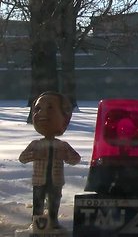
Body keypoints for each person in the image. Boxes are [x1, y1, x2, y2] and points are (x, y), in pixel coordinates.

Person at [19, 91, 80, 230]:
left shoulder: (62, 146)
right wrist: (34, 155)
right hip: (39, 181)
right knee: (38, 203)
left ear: (64, 118)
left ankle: (53, 221)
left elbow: (76, 159)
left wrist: (66, 156)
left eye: (51, 108)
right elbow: (22, 158)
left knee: (54, 203)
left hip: (56, 181)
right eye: (38, 109)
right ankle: (38, 224)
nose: (42, 114)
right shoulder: (35, 144)